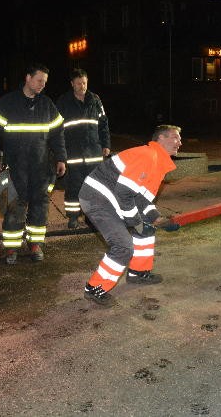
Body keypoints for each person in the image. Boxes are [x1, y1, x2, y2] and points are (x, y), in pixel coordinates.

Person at [80, 125, 182, 307]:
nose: (180, 143)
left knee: (146, 231)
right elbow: (124, 193)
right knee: (123, 245)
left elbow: (142, 200)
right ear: (160, 139)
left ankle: (138, 273)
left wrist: (157, 219)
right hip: (97, 199)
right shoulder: (148, 156)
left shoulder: (159, 164)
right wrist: (135, 222)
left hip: (111, 199)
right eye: (175, 138)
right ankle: (94, 288)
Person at [0, 63, 66, 264]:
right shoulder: (7, 103)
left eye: (44, 82)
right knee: (13, 206)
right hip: (14, 166)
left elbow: (58, 135)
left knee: (40, 206)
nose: (42, 85)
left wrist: (61, 158)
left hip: (41, 167)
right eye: (39, 80)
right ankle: (12, 249)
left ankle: (35, 245)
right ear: (28, 78)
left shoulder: (47, 105)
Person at [56, 69, 111, 229]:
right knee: (73, 187)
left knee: (94, 188)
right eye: (79, 83)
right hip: (73, 154)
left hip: (93, 153)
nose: (82, 86)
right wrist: (60, 152)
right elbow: (57, 129)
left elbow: (103, 123)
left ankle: (91, 217)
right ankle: (73, 217)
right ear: (72, 84)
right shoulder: (63, 102)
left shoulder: (95, 100)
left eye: (85, 83)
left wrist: (106, 144)